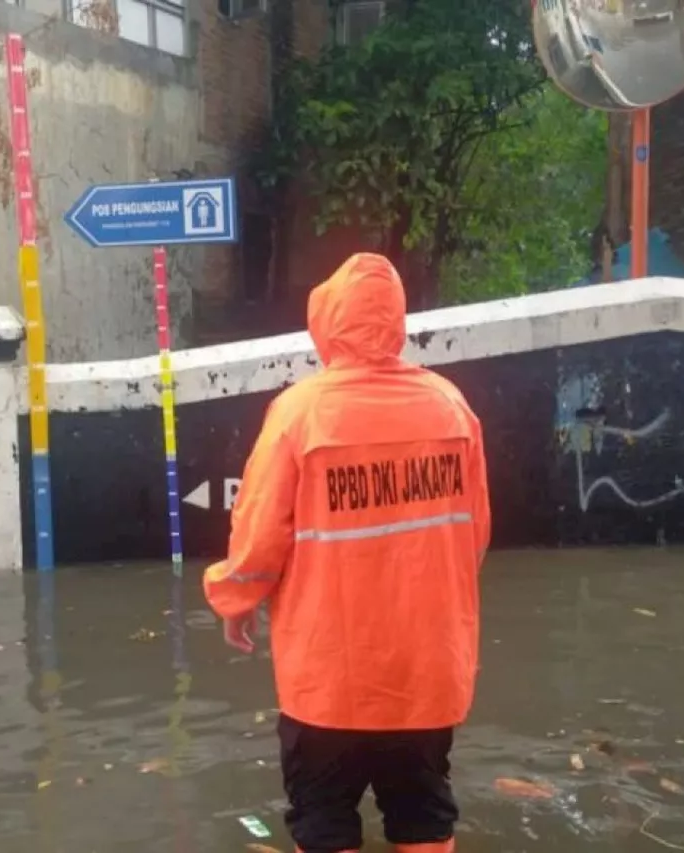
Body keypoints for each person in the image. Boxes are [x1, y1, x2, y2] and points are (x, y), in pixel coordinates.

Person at [203, 253, 491, 853]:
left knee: (324, 818)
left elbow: (258, 534)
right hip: (425, 672)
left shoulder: (300, 413)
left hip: (328, 677)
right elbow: (474, 537)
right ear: (397, 322)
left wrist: (235, 600)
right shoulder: (451, 409)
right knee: (423, 813)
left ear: (326, 322)